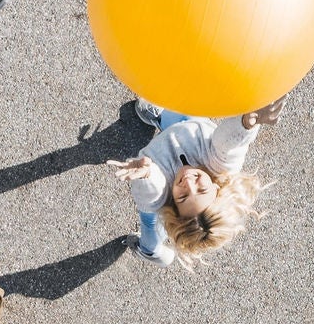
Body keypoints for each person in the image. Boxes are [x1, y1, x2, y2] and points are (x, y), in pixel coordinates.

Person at [106, 97, 284, 266]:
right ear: (217, 188)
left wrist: (147, 174)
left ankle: (150, 250)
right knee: (183, 115)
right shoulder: (221, 166)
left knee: (150, 222)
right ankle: (160, 118)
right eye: (202, 190)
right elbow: (229, 145)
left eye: (182, 197)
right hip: (188, 129)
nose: (189, 182)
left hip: (171, 147)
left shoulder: (162, 195)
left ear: (173, 206)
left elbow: (153, 193)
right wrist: (246, 123)